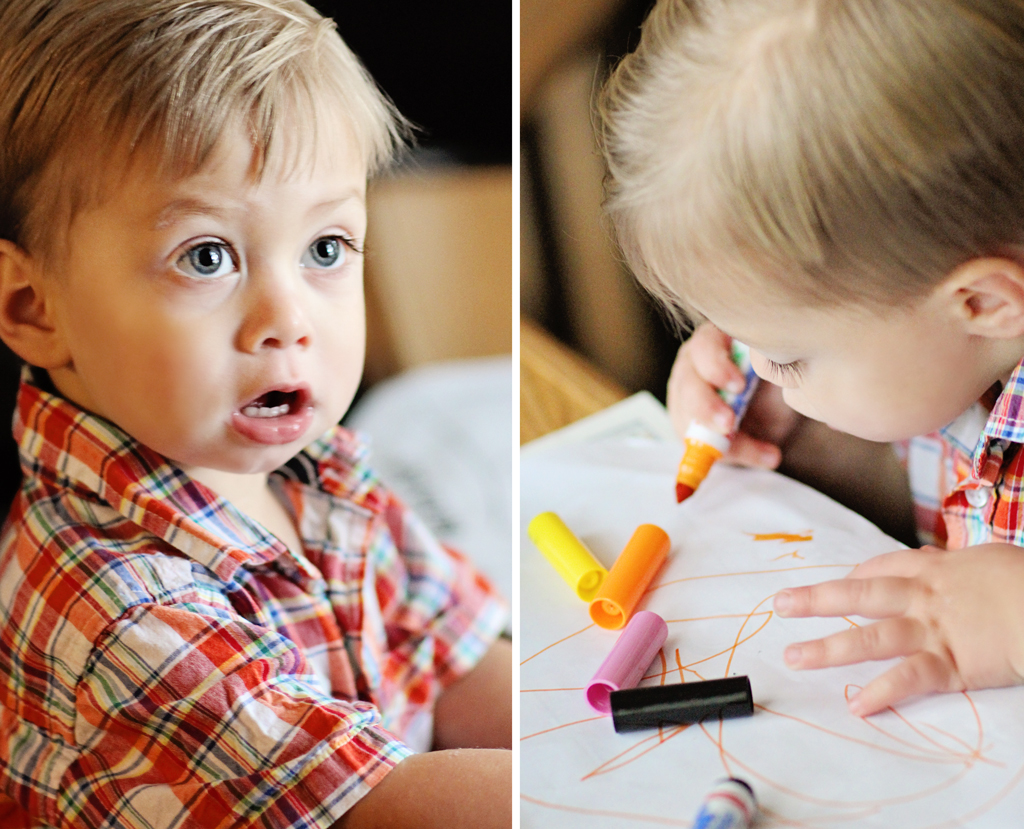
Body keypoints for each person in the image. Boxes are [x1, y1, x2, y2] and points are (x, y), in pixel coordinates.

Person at [0, 1, 511, 827]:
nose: (290, 318)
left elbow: (453, 661)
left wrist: (584, 728)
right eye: (207, 256)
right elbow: (378, 808)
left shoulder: (322, 476)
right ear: (34, 306)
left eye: (326, 248)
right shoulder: (122, 610)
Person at [598, 0, 1024, 718]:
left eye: (788, 355)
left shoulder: (932, 343)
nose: (754, 367)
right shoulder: (946, 345)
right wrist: (808, 438)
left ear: (982, 303)